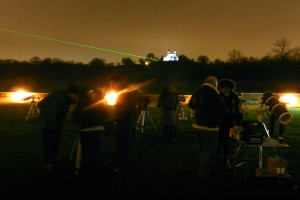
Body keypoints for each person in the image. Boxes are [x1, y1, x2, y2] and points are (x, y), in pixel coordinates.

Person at [188, 76, 227, 180]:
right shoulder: (216, 95)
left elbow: (190, 105)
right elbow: (223, 110)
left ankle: (209, 167)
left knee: (201, 148)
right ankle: (203, 173)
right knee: (209, 150)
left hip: (197, 125)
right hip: (211, 127)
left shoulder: (197, 92)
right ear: (215, 84)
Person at [37, 83, 80, 170]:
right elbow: (52, 113)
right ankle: (49, 162)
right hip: (49, 124)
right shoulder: (59, 98)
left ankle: (52, 160)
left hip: (54, 123)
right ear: (72, 93)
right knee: (49, 142)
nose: (76, 98)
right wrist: (53, 125)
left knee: (55, 142)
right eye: (76, 95)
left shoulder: (65, 98)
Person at [73, 86, 109, 183]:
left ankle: (87, 175)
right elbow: (106, 115)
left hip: (87, 130)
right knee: (95, 152)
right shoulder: (100, 104)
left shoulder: (83, 103)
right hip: (98, 129)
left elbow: (76, 117)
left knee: (87, 153)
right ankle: (94, 174)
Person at [109, 75, 140, 173]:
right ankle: (116, 162)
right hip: (125, 119)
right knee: (120, 142)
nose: (111, 86)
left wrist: (117, 115)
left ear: (118, 83)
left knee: (123, 143)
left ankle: (123, 165)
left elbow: (126, 107)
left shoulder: (124, 92)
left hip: (125, 120)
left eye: (112, 84)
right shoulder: (123, 91)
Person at [217, 79, 243, 169]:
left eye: (228, 88)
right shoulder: (218, 96)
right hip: (219, 122)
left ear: (231, 88)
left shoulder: (234, 96)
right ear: (221, 88)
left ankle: (226, 160)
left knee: (227, 142)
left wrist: (239, 121)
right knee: (218, 141)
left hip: (230, 122)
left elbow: (238, 110)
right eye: (224, 87)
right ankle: (216, 160)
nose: (226, 89)